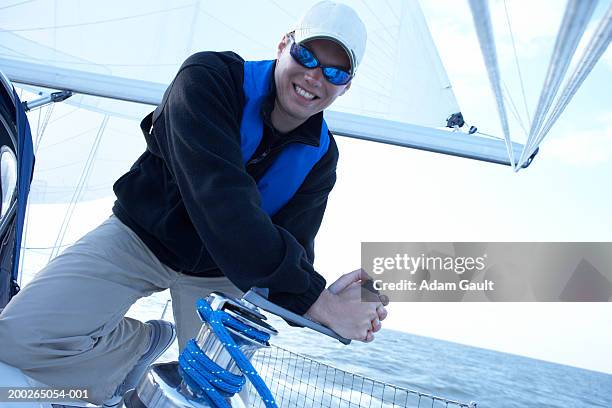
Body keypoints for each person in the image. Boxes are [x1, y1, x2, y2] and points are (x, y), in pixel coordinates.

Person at [0, 1, 388, 405]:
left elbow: (293, 245)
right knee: (12, 343)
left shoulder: (322, 157)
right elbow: (220, 198)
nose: (314, 76)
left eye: (335, 71)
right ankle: (139, 347)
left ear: (345, 86)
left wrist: (337, 306)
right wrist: (318, 299)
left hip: (221, 274)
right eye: (306, 54)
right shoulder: (208, 79)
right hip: (140, 237)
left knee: (212, 397)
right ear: (283, 44)